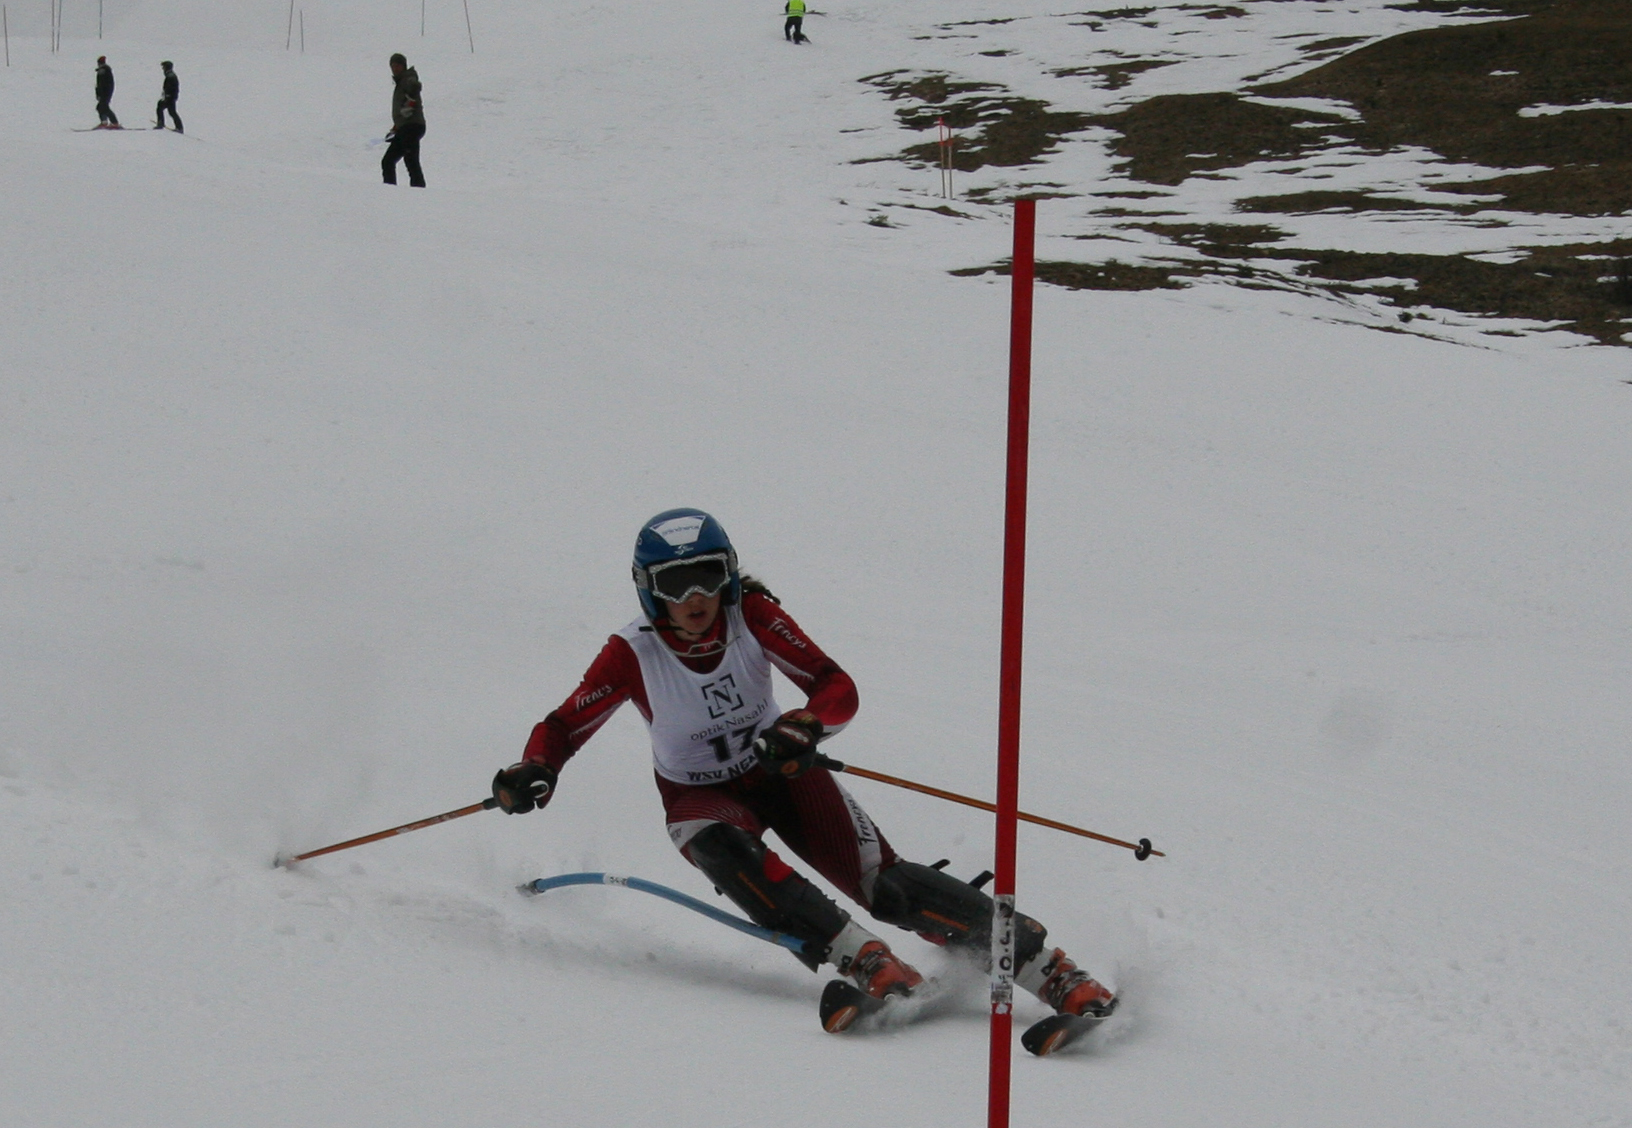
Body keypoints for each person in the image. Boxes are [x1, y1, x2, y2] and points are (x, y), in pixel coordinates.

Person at [492, 508, 1117, 1030]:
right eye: (673, 584)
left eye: (706, 577)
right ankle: (864, 959)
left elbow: (833, 684)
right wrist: (535, 767)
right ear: (647, 588)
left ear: (728, 574)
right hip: (700, 795)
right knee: (718, 845)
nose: (693, 599)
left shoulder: (753, 617)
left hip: (783, 772)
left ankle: (1050, 970)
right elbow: (564, 724)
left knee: (889, 888)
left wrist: (805, 726)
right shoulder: (631, 652)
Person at [382, 53, 426, 188]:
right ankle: (391, 191)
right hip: (405, 127)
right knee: (388, 161)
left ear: (403, 66)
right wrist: (397, 126)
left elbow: (413, 85)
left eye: (397, 65)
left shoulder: (407, 78)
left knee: (410, 160)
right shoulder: (401, 82)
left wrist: (414, 88)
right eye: (392, 66)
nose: (395, 68)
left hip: (412, 126)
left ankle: (419, 193)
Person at [154, 61, 182, 133]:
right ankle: (178, 127)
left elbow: (170, 88)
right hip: (171, 97)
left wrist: (167, 96)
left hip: (170, 97)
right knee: (170, 111)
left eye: (163, 67)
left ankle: (162, 123)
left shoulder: (170, 76)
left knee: (168, 110)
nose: (163, 69)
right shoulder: (170, 75)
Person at [94, 56, 119, 128]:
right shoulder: (102, 71)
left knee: (103, 107)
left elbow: (102, 84)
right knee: (100, 107)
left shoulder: (104, 71)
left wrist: (101, 93)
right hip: (104, 92)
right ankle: (104, 122)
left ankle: (114, 122)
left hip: (105, 92)